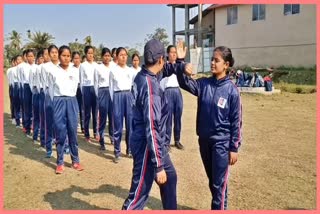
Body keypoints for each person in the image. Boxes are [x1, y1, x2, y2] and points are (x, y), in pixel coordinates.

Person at [122, 39, 192, 210]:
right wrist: (158, 165)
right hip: (148, 146)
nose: (166, 63)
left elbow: (168, 69)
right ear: (161, 59)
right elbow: (152, 128)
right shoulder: (150, 86)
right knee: (138, 194)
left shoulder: (146, 73)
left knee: (171, 177)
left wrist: (181, 65)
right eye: (165, 59)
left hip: (155, 145)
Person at [175, 44, 242, 210]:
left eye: (216, 60)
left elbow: (236, 121)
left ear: (226, 65)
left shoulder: (232, 91)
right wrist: (181, 62)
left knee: (219, 185)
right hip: (204, 142)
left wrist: (234, 147)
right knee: (214, 183)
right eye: (212, 59)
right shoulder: (204, 84)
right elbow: (184, 82)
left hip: (221, 143)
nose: (212, 63)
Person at [47, 45, 84, 174]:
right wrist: (56, 103)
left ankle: (75, 161)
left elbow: (76, 88)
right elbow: (50, 90)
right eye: (64, 55)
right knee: (60, 132)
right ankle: (60, 162)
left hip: (72, 101)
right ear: (59, 56)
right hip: (58, 101)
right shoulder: (53, 71)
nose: (66, 58)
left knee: (73, 131)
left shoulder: (75, 70)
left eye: (69, 56)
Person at [109, 47, 135, 162]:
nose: (123, 57)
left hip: (128, 96)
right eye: (121, 55)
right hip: (117, 96)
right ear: (116, 57)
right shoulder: (113, 70)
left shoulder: (130, 70)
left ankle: (129, 150)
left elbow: (134, 87)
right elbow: (110, 88)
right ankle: (117, 151)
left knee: (130, 125)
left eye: (125, 55)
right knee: (118, 125)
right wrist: (114, 100)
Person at [160, 45, 184, 150]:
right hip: (168, 91)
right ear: (167, 54)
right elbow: (161, 82)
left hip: (177, 91)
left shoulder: (180, 65)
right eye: (172, 52)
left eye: (175, 52)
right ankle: (167, 141)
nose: (174, 54)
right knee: (168, 118)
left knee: (178, 117)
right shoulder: (164, 66)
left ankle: (177, 140)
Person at [41, 45, 60, 157]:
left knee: (60, 122)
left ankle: (64, 144)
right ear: (48, 54)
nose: (54, 54)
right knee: (49, 122)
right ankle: (49, 148)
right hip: (49, 95)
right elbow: (44, 83)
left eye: (56, 52)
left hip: (60, 96)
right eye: (52, 52)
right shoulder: (45, 67)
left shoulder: (61, 66)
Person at [94, 47, 114, 150]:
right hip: (102, 92)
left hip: (112, 92)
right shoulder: (98, 68)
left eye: (108, 56)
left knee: (112, 117)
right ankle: (101, 140)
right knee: (102, 118)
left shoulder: (114, 67)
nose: (107, 58)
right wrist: (99, 96)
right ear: (102, 57)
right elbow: (96, 83)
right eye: (105, 56)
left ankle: (112, 137)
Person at [79, 45, 99, 142]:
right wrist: (83, 92)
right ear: (86, 54)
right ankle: (87, 133)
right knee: (87, 113)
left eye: (92, 53)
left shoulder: (96, 65)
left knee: (95, 113)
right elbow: (81, 80)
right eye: (88, 53)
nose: (90, 55)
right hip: (86, 89)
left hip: (95, 89)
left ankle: (96, 132)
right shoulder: (82, 65)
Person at [20, 49, 37, 138]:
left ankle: (33, 126)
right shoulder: (23, 67)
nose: (30, 58)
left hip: (35, 87)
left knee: (34, 108)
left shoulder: (37, 67)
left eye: (32, 56)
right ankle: (27, 127)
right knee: (27, 108)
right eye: (28, 56)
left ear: (34, 57)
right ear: (26, 57)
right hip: (26, 87)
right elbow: (21, 79)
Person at [38, 48, 50, 148]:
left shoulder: (56, 67)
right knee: (44, 118)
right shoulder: (41, 67)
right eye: (45, 54)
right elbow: (40, 83)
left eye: (49, 54)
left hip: (54, 94)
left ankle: (53, 139)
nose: (48, 56)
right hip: (43, 93)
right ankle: (43, 140)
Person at [72, 51, 84, 133]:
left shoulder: (83, 67)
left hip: (81, 88)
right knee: (74, 108)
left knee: (82, 108)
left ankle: (83, 126)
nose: (76, 60)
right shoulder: (70, 68)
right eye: (75, 58)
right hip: (73, 89)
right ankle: (75, 125)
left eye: (78, 58)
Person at [11, 55, 23, 127]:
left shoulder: (26, 68)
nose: (20, 61)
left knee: (23, 104)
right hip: (16, 86)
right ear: (16, 61)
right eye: (18, 59)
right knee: (17, 104)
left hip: (23, 86)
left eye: (21, 59)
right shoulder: (13, 70)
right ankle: (17, 120)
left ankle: (22, 119)